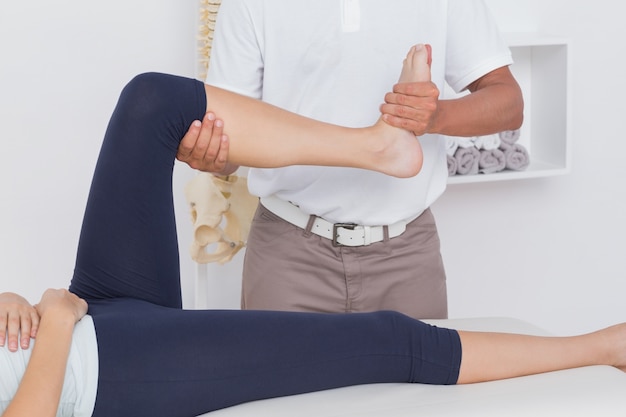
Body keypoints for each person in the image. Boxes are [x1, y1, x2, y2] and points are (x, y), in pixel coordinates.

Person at [0, 58, 625, 417]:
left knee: (151, 101)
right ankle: (601, 347)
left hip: (81, 316)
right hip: (104, 372)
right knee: (388, 339)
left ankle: (374, 148)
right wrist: (55, 326)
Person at [177, 0, 525, 319]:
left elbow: (508, 102)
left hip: (407, 257)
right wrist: (211, 154)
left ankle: (383, 144)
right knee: (285, 388)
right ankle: (379, 144)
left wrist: (433, 117)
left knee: (418, 389)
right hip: (289, 256)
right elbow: (230, 142)